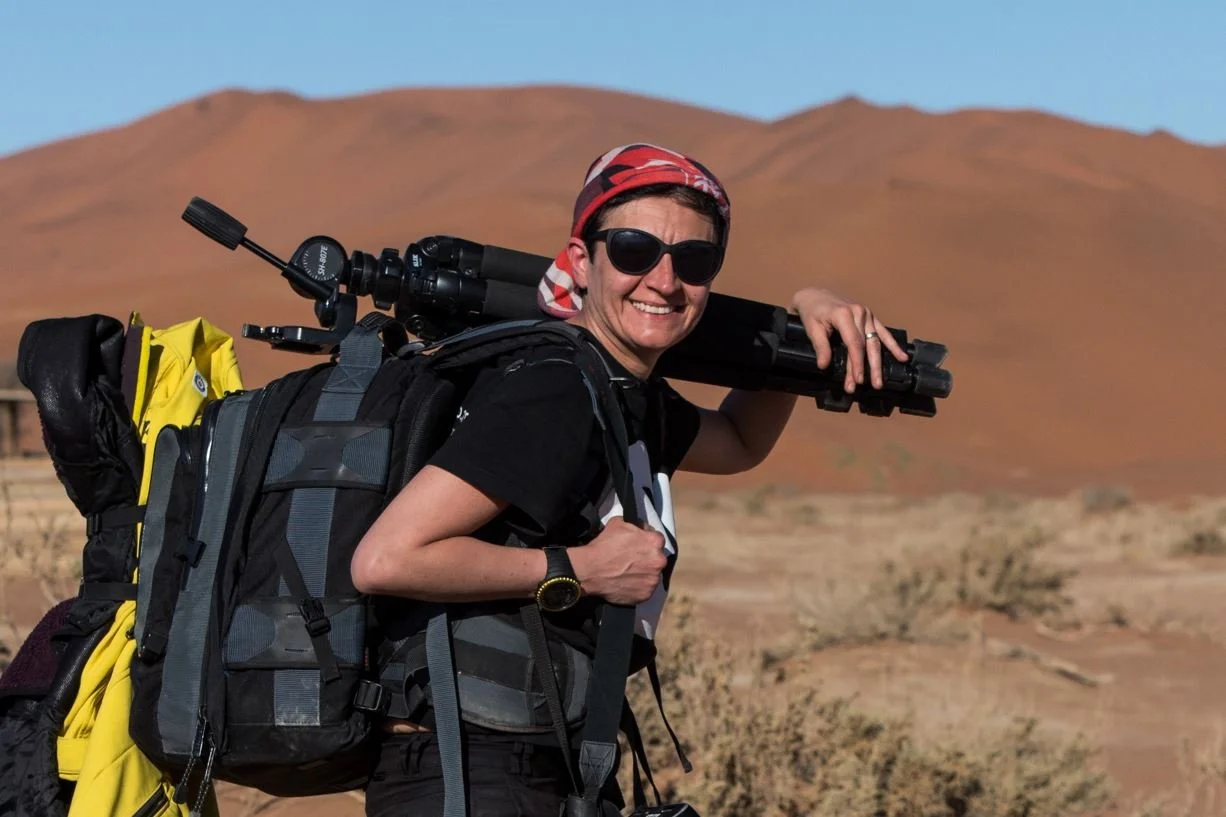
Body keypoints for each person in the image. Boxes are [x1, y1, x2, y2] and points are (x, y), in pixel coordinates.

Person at [350, 143, 909, 816]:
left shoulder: (621, 392)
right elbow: (387, 558)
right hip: (471, 768)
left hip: (534, 757)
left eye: (695, 260)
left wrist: (801, 324)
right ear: (583, 260)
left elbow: (738, 441)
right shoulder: (555, 390)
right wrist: (581, 568)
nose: (665, 280)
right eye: (634, 250)